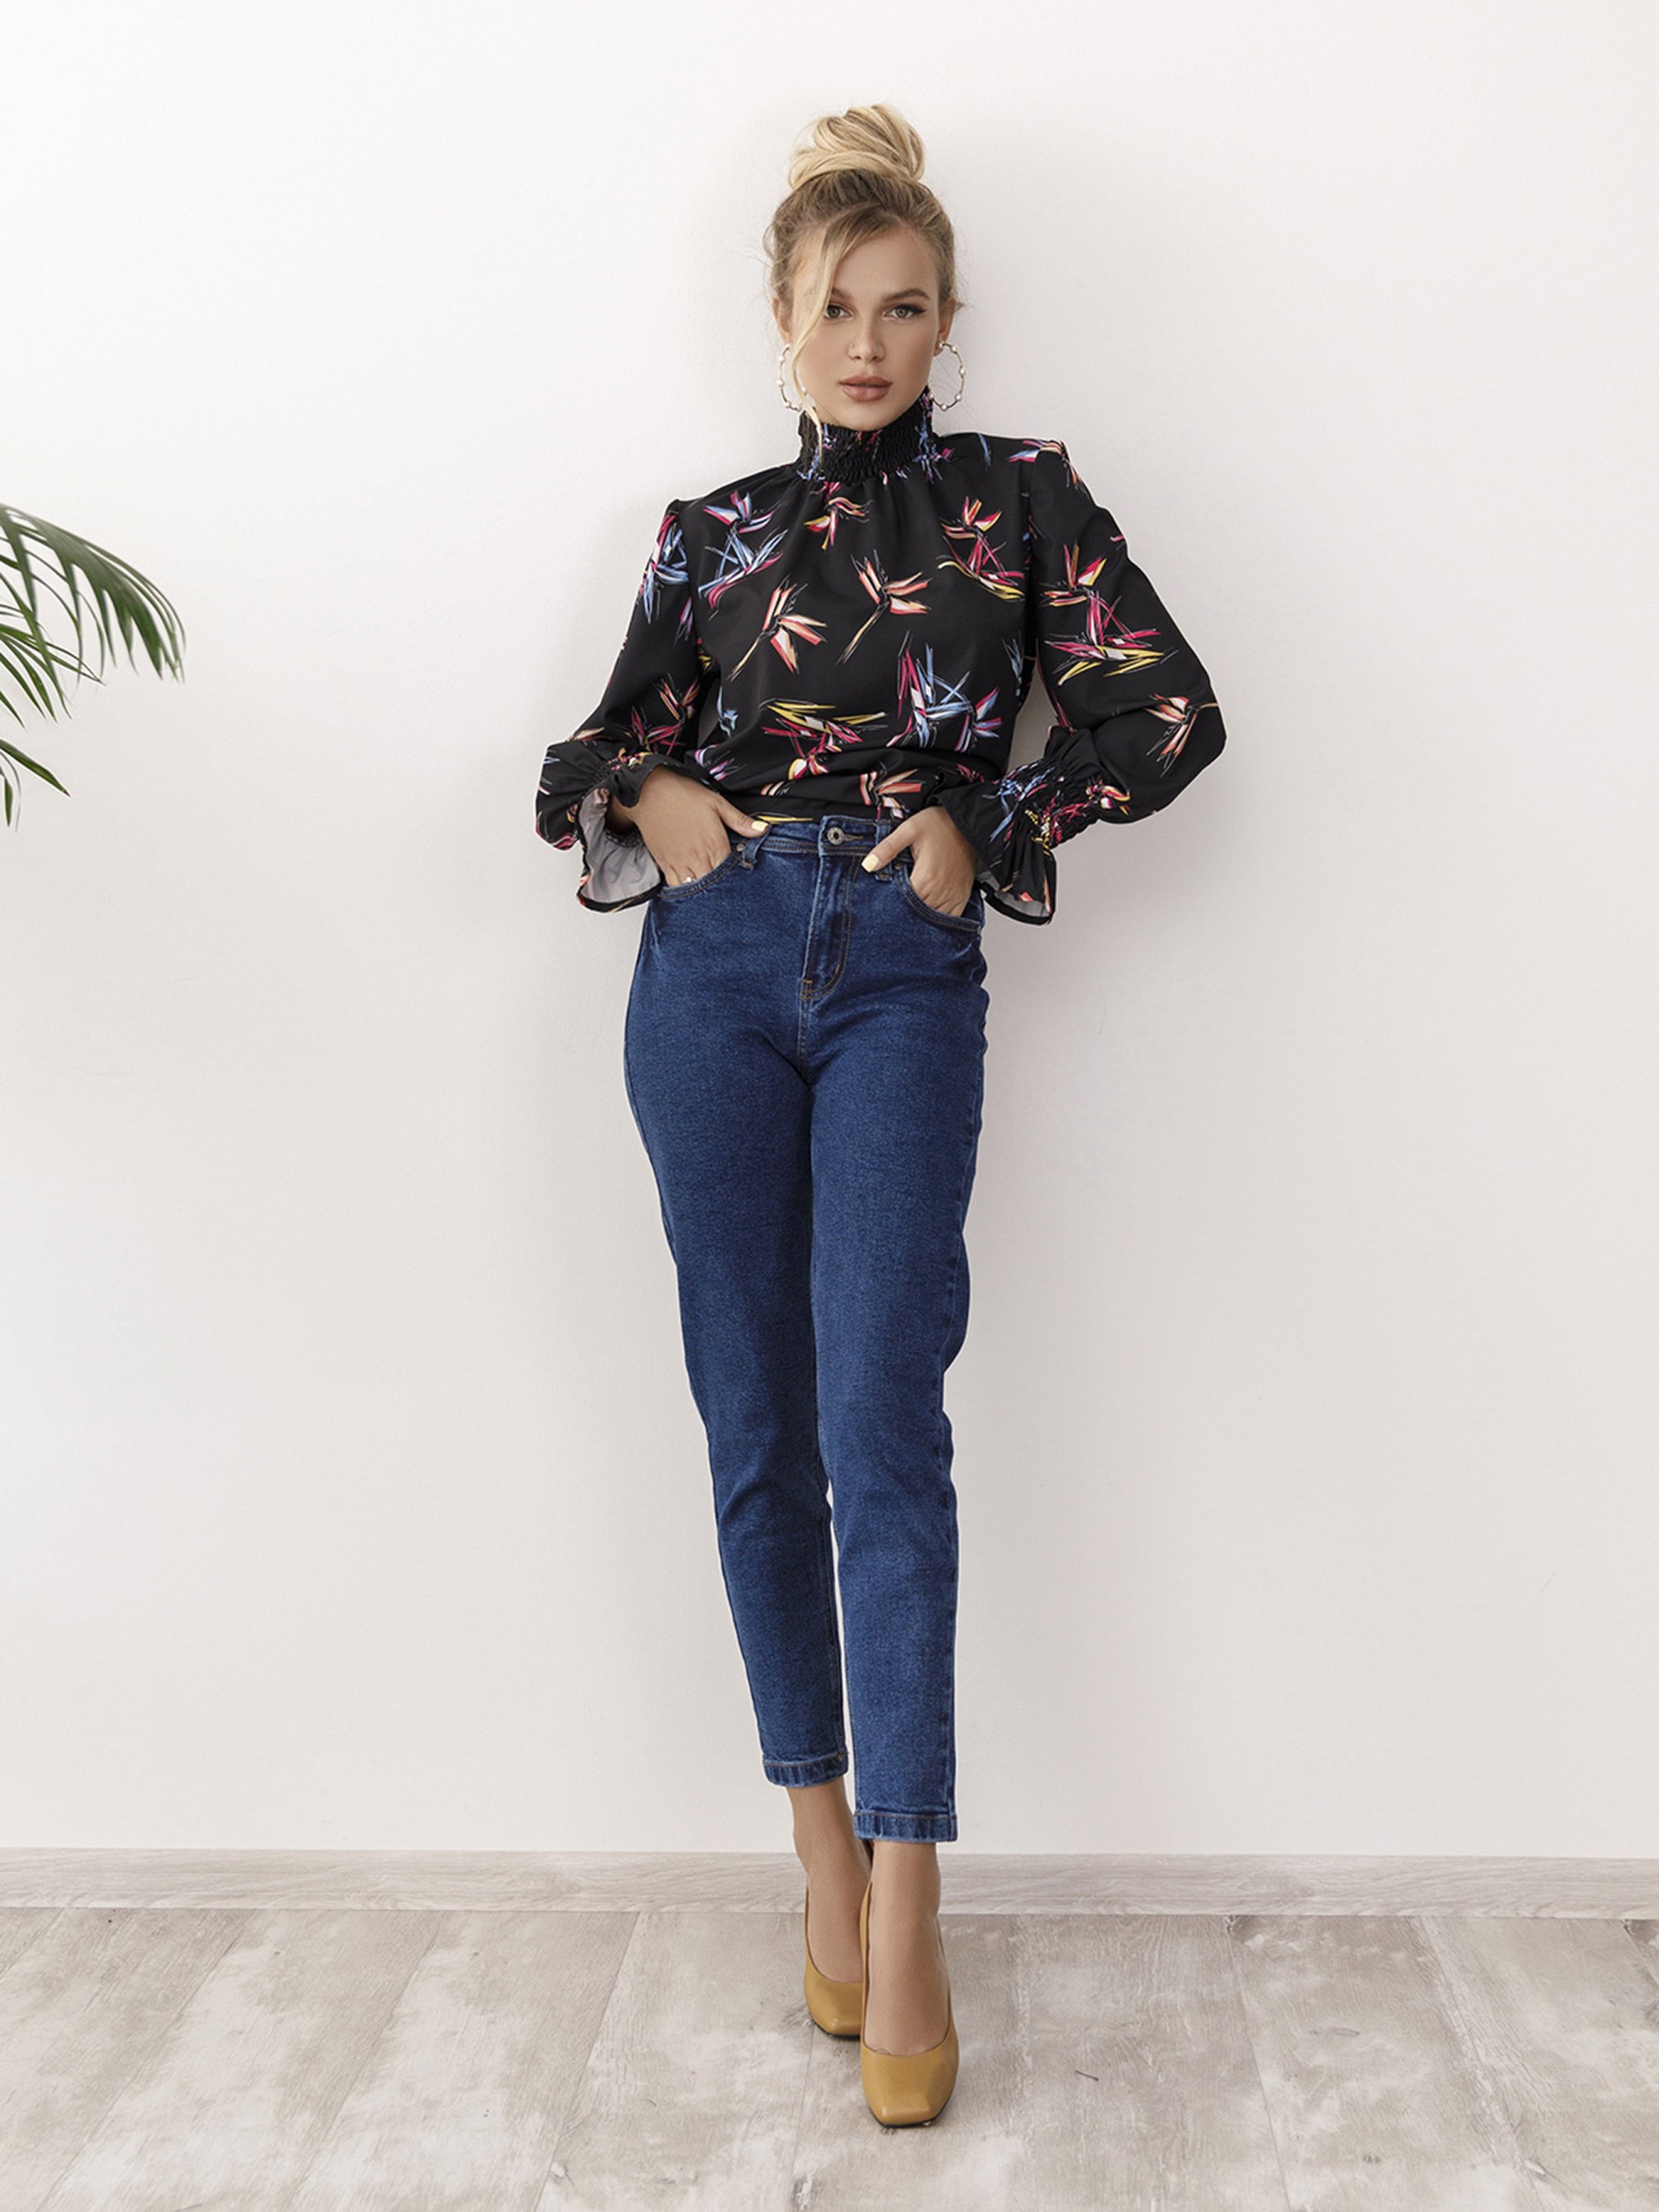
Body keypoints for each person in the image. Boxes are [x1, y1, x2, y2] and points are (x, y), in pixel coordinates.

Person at [533, 102, 1226, 2128]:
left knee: (879, 1423)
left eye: (903, 307)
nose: (867, 342)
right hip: (711, 968)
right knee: (755, 1426)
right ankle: (820, 1859)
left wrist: (985, 822)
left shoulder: (1020, 499)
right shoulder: (708, 531)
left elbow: (1166, 712)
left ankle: (911, 1899)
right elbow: (584, 755)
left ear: (944, 324)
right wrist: (653, 793)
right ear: (779, 315)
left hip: (902, 969)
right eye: (835, 306)